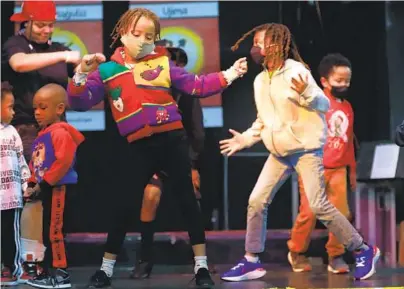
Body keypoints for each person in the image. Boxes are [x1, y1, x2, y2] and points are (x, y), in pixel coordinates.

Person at [67, 8, 247, 288]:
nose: (142, 40)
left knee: (188, 202)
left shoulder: (163, 64)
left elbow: (197, 85)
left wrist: (230, 73)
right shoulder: (107, 71)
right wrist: (80, 74)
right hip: (136, 145)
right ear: (123, 33)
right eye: (137, 34)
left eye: (149, 36)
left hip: (171, 141)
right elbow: (79, 103)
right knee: (123, 207)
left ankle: (201, 268)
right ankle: (105, 269)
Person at [219, 23, 380, 282]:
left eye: (262, 42)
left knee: (319, 205)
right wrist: (246, 139)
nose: (256, 47)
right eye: (255, 42)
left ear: (278, 46)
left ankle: (363, 250)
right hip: (280, 152)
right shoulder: (261, 80)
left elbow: (324, 103)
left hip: (305, 149)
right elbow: (264, 120)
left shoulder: (296, 71)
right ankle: (251, 260)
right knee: (257, 200)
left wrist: (306, 94)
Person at [2, 0, 81, 278]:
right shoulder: (16, 45)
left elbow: (79, 85)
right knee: (30, 195)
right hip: (25, 131)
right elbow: (19, 64)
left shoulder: (60, 49)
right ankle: (29, 261)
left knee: (56, 197)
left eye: (51, 25)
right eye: (42, 25)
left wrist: (88, 67)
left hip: (57, 132)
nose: (48, 30)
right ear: (27, 23)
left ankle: (51, 262)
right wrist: (63, 58)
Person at [131, 45, 207, 279]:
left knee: (192, 199)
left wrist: (193, 166)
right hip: (154, 156)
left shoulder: (188, 93)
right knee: (150, 196)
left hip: (181, 156)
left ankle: (201, 262)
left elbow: (198, 132)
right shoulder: (145, 89)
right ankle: (145, 259)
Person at [287, 53, 356, 274]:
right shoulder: (315, 103)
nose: (343, 85)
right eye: (339, 81)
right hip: (313, 166)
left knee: (341, 214)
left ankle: (335, 255)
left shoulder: (348, 107)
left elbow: (349, 142)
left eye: (347, 81)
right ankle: (297, 251)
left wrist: (351, 171)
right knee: (308, 212)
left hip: (338, 169)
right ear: (325, 81)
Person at [23, 83, 85, 289]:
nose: (37, 113)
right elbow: (37, 163)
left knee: (55, 232)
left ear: (59, 109)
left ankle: (61, 275)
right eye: (35, 109)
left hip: (59, 187)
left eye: (42, 107)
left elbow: (64, 161)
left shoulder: (60, 133)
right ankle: (50, 271)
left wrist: (45, 183)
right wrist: (32, 182)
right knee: (48, 231)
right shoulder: (43, 135)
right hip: (48, 187)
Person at [1, 81, 31, 286]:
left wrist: (25, 184)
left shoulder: (12, 132)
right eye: (10, 107)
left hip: (10, 197)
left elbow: (21, 161)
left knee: (10, 235)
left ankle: (13, 269)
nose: (14, 111)